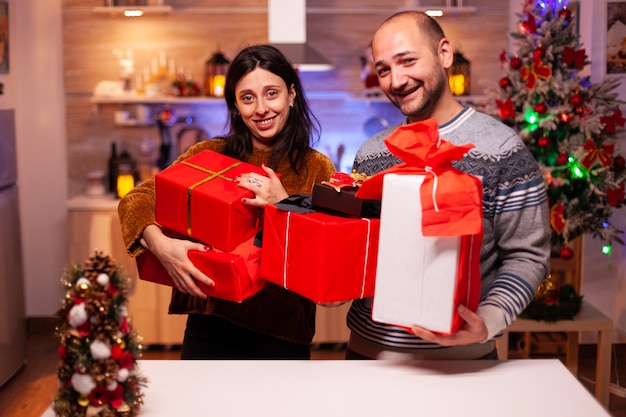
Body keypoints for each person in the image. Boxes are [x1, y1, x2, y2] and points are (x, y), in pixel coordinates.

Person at [345, 11, 551, 360]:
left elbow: (527, 255)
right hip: (369, 356)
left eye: (408, 61)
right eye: (383, 69)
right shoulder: (370, 154)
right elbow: (358, 251)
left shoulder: (501, 148)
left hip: (463, 362)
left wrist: (488, 320)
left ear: (444, 54)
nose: (396, 80)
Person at [118, 44, 336, 360]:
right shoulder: (209, 155)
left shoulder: (317, 168)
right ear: (235, 104)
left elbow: (324, 256)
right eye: (247, 98)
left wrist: (284, 203)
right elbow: (137, 198)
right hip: (208, 329)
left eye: (271, 94)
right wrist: (161, 246)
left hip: (282, 333)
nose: (261, 108)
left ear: (291, 94)